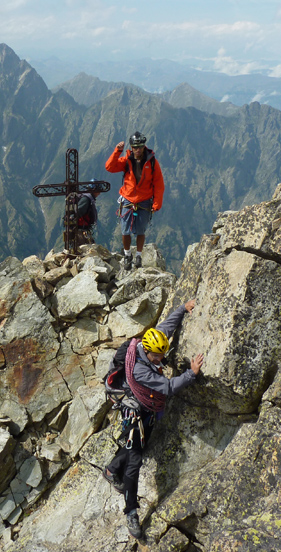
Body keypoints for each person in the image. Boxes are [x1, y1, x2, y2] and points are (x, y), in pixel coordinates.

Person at [102, 299, 203, 539]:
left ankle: (111, 470)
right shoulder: (140, 370)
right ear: (147, 352)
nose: (161, 359)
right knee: (135, 460)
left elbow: (166, 329)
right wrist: (192, 374)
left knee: (137, 445)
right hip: (136, 410)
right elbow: (167, 387)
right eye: (157, 356)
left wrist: (182, 309)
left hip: (144, 408)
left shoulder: (147, 344)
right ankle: (131, 513)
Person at [105, 131, 165, 270]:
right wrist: (117, 151)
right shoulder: (126, 160)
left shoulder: (152, 162)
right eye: (135, 147)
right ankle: (127, 255)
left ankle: (138, 256)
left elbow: (158, 183)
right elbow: (109, 167)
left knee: (140, 231)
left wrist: (157, 203)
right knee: (125, 231)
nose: (138, 150)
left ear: (144, 146)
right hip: (128, 199)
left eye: (140, 147)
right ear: (131, 147)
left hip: (144, 201)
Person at [71, 180, 101, 248]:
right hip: (80, 230)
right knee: (85, 248)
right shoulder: (86, 199)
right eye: (98, 191)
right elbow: (78, 211)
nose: (99, 193)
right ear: (94, 190)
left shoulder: (88, 198)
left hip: (82, 228)